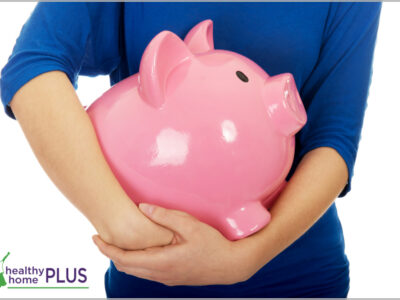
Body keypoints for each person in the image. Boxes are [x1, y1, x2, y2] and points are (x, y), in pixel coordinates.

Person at [0, 2, 381, 298]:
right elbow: (34, 67)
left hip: (299, 275)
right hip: (155, 279)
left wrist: (246, 259)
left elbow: (335, 138)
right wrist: (124, 226)